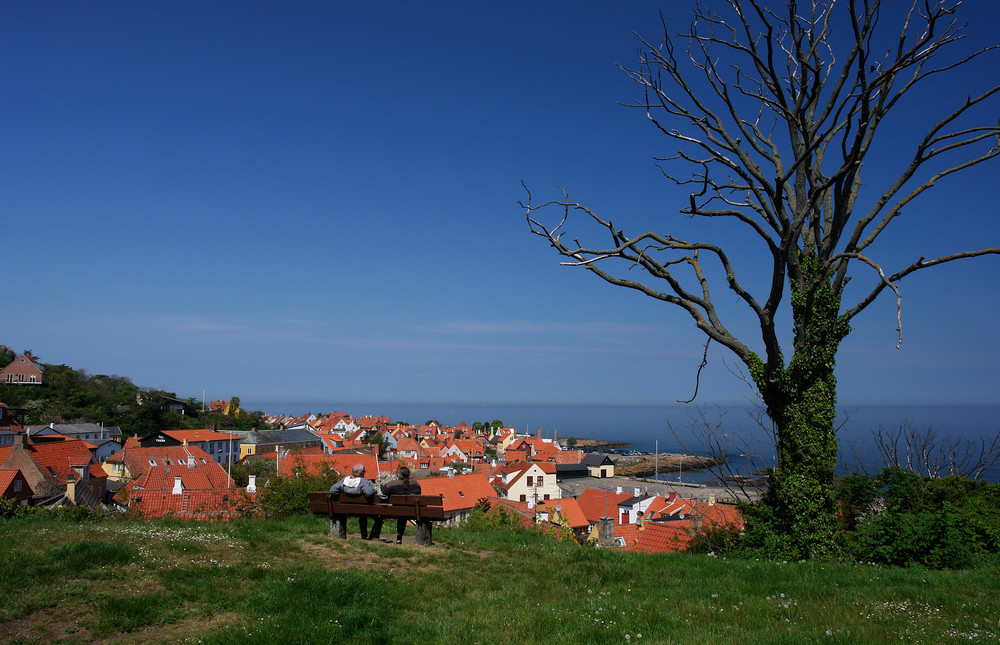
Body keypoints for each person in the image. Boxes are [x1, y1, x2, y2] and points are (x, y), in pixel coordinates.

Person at [369, 466, 421, 543]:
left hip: (396, 511)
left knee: (399, 513)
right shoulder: (416, 484)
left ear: (399, 475)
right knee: (403, 514)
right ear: (409, 475)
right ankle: (399, 538)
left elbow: (381, 494)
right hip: (412, 511)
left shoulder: (392, 484)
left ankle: (375, 536)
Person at [329, 463, 377, 539]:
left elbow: (332, 490)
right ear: (361, 473)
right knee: (368, 516)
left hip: (344, 509)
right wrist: (374, 490)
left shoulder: (344, 481)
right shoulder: (363, 481)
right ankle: (366, 537)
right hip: (362, 510)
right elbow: (368, 493)